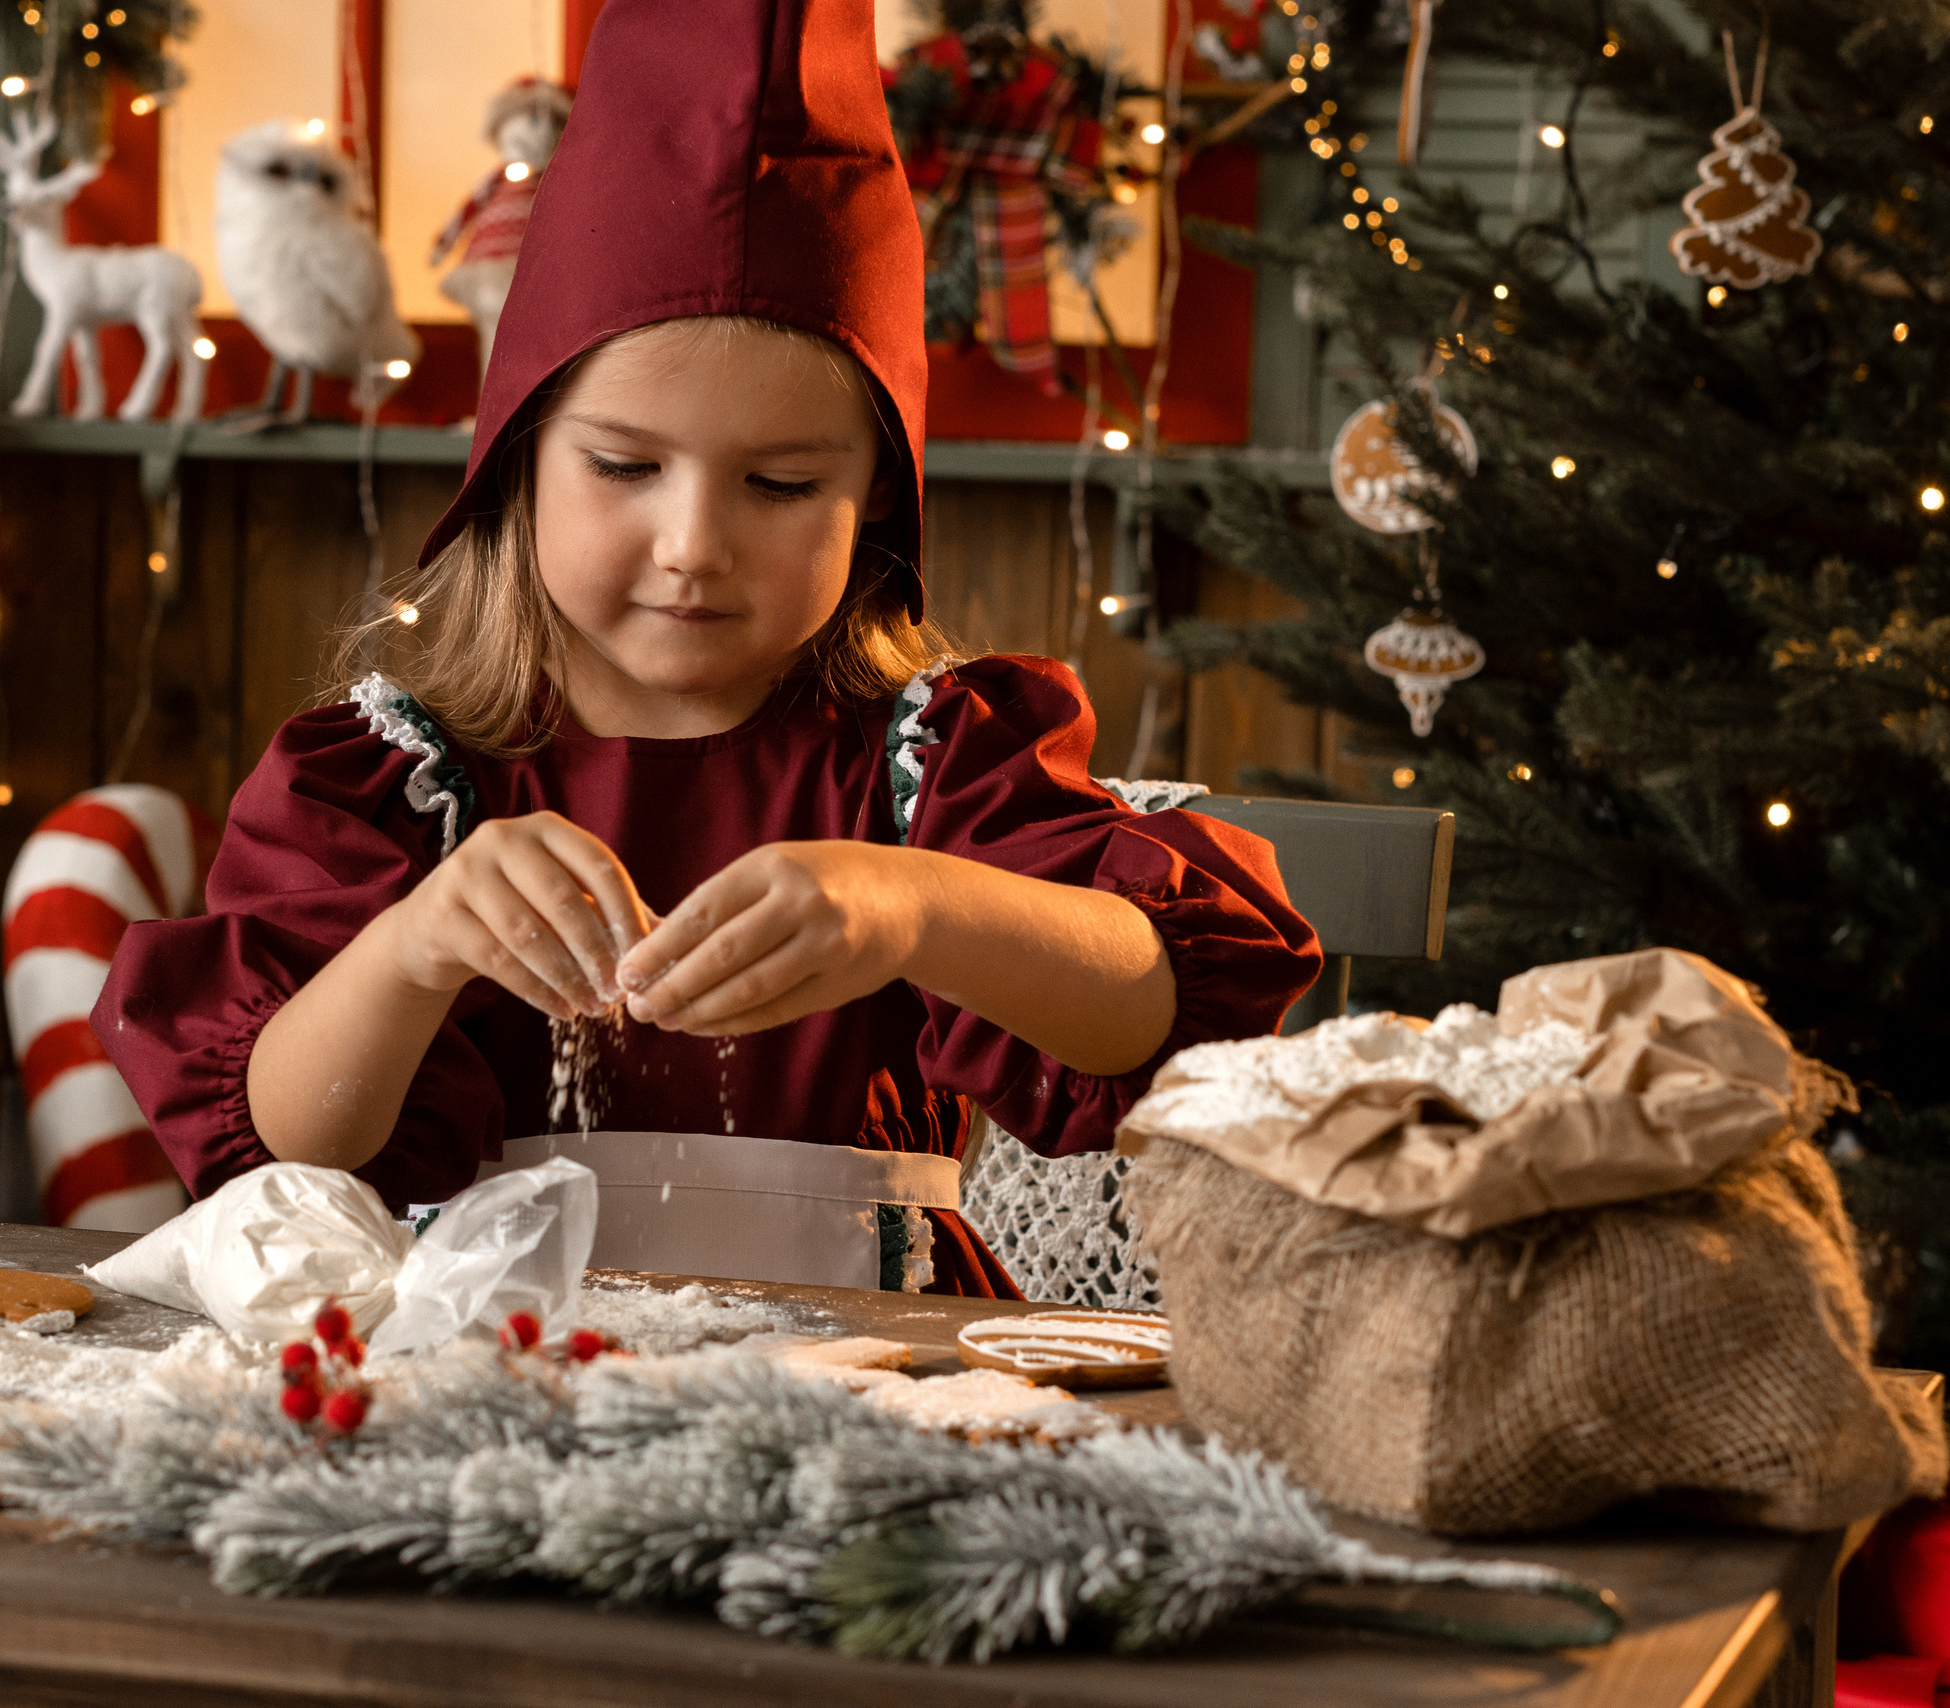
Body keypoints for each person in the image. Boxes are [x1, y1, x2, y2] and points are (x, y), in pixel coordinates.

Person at [95, 0, 1321, 1295]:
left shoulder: (928, 764)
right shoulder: (390, 782)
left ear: (876, 507)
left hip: (864, 1376)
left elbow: (1156, 997)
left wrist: (912, 907)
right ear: (519, 462)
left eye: (781, 485)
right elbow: (289, 1142)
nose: (694, 542)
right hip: (479, 1381)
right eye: (626, 465)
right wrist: (417, 944)